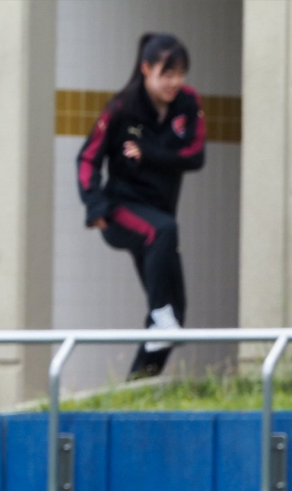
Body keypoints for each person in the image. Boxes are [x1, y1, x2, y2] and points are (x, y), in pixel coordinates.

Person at [77, 33, 206, 379]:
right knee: (163, 234)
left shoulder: (188, 102)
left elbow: (195, 155)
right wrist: (95, 207)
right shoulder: (122, 107)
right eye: (167, 74)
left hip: (158, 217)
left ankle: (137, 384)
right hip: (121, 211)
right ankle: (160, 316)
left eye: (180, 74)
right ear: (146, 69)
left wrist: (149, 152)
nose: (174, 82)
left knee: (175, 309)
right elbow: (88, 158)